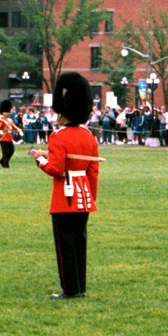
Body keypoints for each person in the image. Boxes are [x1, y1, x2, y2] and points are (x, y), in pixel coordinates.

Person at [29, 72, 100, 300]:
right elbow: (93, 171)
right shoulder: (89, 136)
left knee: (65, 245)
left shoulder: (58, 136)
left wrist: (40, 160)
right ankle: (79, 287)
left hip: (64, 197)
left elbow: (56, 170)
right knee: (80, 242)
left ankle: (69, 289)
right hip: (84, 196)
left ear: (63, 112)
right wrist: (91, 197)